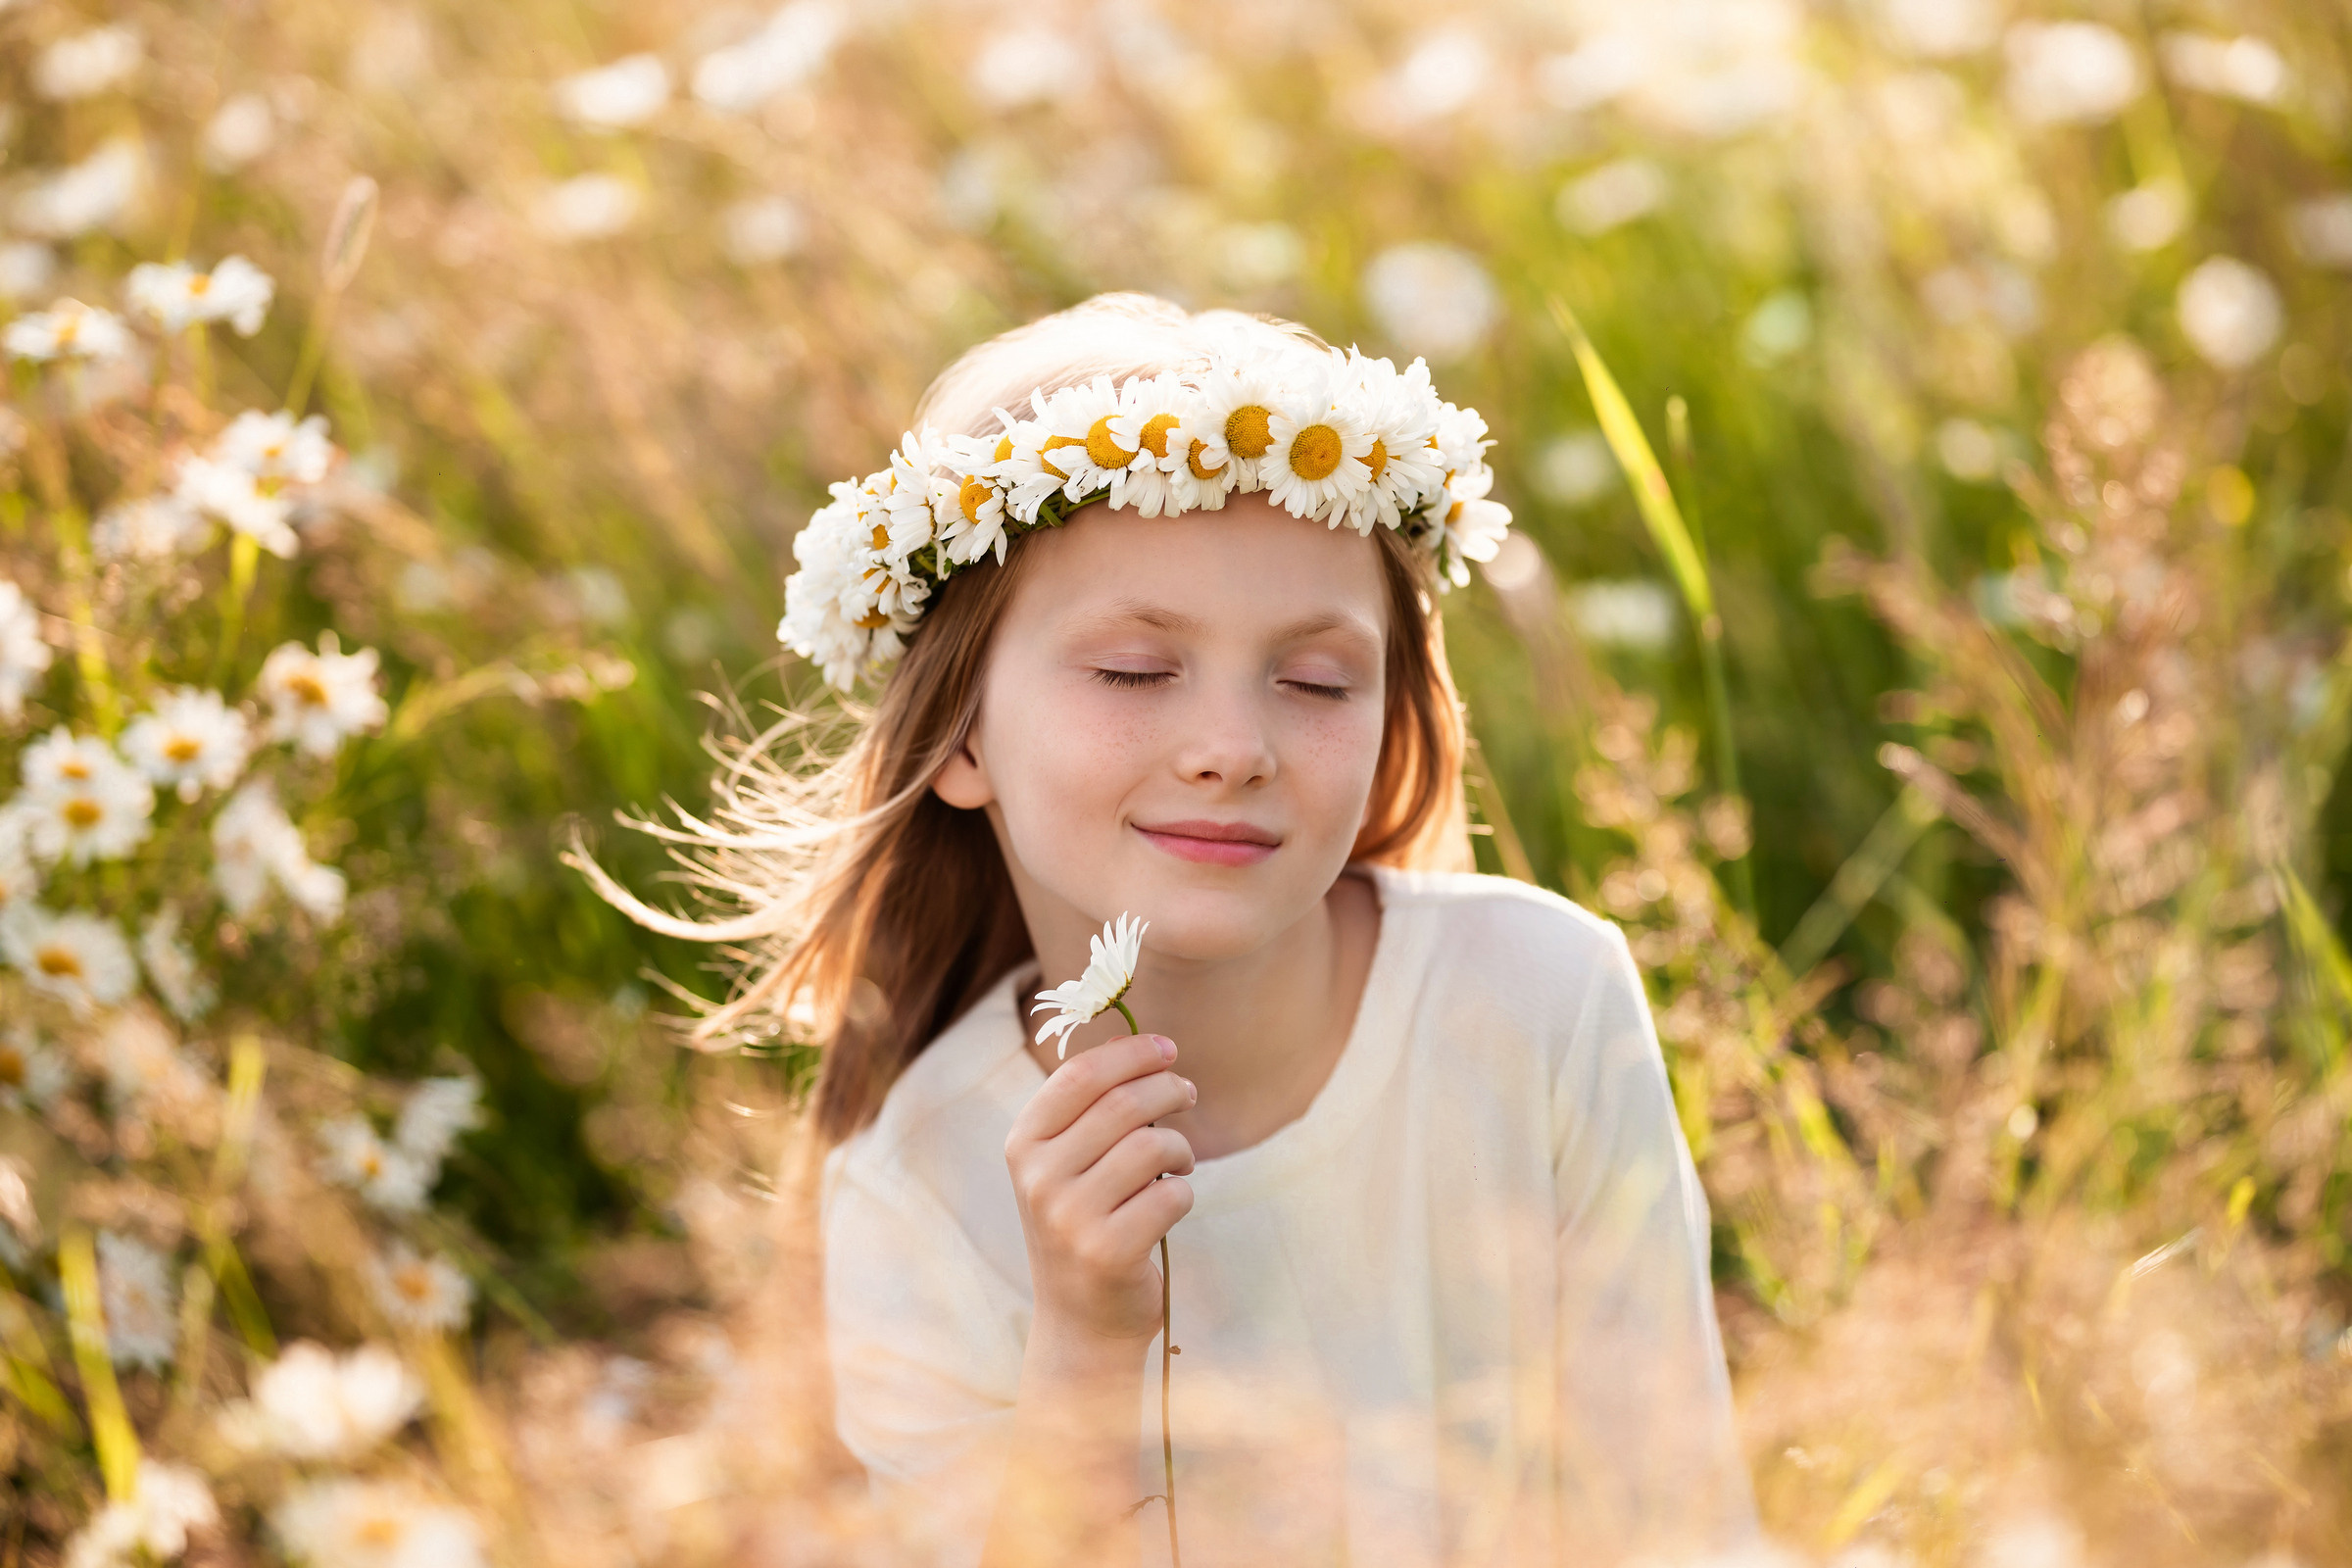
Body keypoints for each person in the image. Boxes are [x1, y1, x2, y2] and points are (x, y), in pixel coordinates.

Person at [593, 294, 1757, 1566]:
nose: (1232, 751)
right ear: (964, 735)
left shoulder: (1539, 999)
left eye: (1316, 682)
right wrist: (1088, 1343)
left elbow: (1674, 1517)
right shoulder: (924, 1182)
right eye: (1137, 672)